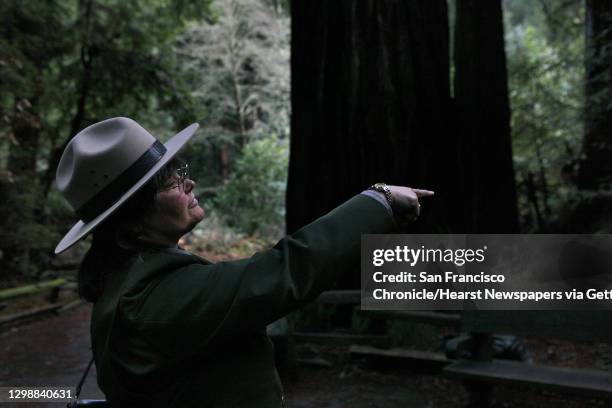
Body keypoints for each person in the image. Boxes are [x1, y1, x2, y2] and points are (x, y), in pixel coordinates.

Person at [55, 117, 433, 408]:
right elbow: (283, 273)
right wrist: (376, 201)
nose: (188, 184)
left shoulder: (130, 282)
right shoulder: (154, 298)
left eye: (179, 172)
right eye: (169, 182)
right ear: (132, 221)